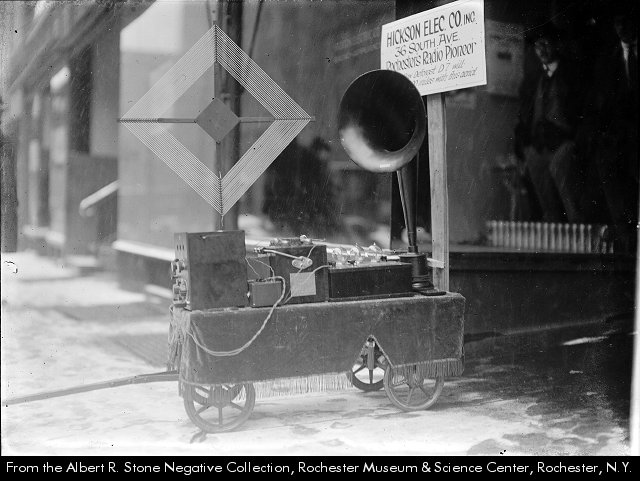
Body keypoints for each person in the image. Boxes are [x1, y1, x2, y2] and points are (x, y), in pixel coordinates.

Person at [515, 23, 584, 223]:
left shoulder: (571, 74)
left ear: (556, 45)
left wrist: (575, 140)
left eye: (546, 44)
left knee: (562, 173)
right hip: (539, 145)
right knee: (536, 170)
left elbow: (582, 113)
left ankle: (576, 225)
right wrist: (524, 147)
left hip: (564, 142)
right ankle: (553, 225)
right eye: (538, 46)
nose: (542, 50)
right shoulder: (533, 79)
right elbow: (524, 116)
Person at [585, 7, 638, 253]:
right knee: (607, 165)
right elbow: (601, 104)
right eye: (618, 22)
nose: (622, 27)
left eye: (627, 21)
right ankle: (625, 237)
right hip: (619, 137)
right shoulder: (609, 60)